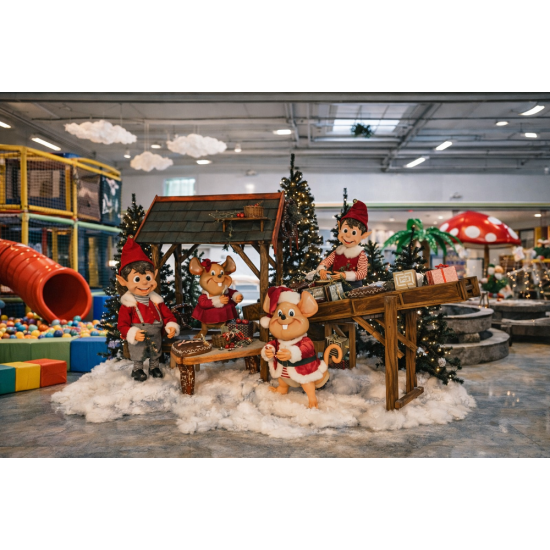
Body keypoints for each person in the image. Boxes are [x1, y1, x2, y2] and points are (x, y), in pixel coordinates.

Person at [116, 238, 180, 382]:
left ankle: (154, 367)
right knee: (138, 351)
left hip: (155, 333)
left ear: (154, 275)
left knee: (155, 351)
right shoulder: (128, 305)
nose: (145, 282)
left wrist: (171, 326)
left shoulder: (157, 302)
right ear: (123, 281)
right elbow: (122, 325)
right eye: (137, 279)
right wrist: (132, 333)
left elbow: (168, 316)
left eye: (148, 277)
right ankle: (137, 369)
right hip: (139, 333)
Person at [317, 199, 370, 288]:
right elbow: (326, 261)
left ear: (362, 235)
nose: (348, 235)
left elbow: (362, 273)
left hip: (353, 288)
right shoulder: (337, 252)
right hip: (335, 286)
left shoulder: (361, 255)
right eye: (345, 230)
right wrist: (322, 269)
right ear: (340, 229)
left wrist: (345, 275)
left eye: (354, 233)